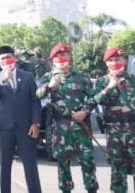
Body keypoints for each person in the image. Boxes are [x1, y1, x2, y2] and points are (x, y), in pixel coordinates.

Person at [36, 43, 98, 193]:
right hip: (60, 127)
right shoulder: (48, 76)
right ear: (52, 61)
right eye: (57, 56)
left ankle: (91, 189)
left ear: (69, 57)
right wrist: (49, 87)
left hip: (81, 125)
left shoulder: (82, 76)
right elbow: (37, 95)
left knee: (87, 160)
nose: (61, 58)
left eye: (63, 55)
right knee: (63, 163)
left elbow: (93, 98)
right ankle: (65, 189)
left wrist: (84, 111)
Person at [94, 47, 135, 193]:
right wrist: (109, 87)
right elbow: (97, 100)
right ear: (106, 63)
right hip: (114, 135)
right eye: (111, 60)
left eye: (118, 59)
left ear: (124, 61)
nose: (114, 62)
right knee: (117, 174)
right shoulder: (102, 82)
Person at [0, 46, 42, 193]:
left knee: (30, 166)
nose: (6, 61)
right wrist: (3, 80)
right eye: (3, 59)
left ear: (15, 58)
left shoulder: (28, 76)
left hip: (25, 128)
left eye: (9, 57)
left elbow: (35, 101)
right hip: (4, 129)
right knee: (4, 168)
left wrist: (35, 123)